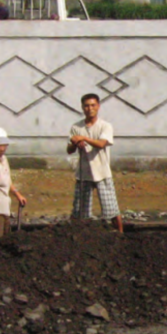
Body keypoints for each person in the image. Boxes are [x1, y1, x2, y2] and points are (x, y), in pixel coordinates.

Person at [67, 94, 124, 233]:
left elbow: (101, 143)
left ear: (98, 106)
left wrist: (84, 138)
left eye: (93, 105)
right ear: (82, 107)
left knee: (111, 207)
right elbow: (69, 150)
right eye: (86, 106)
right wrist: (75, 143)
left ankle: (121, 233)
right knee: (80, 209)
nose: (90, 109)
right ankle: (78, 234)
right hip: (84, 172)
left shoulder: (105, 126)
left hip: (102, 172)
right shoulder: (76, 127)